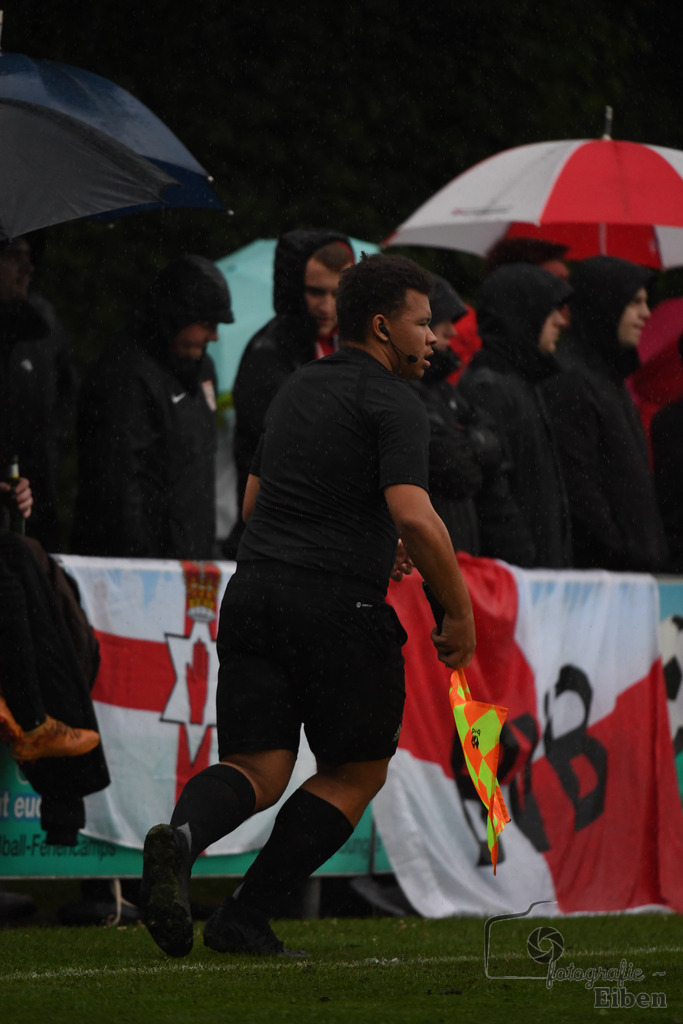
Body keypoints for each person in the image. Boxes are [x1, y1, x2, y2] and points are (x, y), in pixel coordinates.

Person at [140, 253, 476, 958]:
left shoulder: (296, 386)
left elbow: (261, 502)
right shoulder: (394, 402)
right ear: (382, 328)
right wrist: (458, 611)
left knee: (258, 767)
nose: (433, 339)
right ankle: (244, 916)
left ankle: (184, 837)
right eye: (422, 324)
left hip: (256, 591)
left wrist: (360, 536)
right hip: (336, 607)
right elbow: (414, 515)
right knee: (356, 771)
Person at [73, 255, 233, 559]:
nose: (214, 336)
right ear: (176, 317)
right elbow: (119, 484)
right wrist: (144, 565)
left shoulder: (201, 368)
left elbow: (195, 472)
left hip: (189, 563)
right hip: (135, 570)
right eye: (207, 324)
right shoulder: (126, 374)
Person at [224, 228, 354, 557]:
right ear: (293, 289)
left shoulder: (345, 346)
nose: (327, 306)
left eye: (338, 293)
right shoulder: (268, 354)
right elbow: (291, 445)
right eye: (315, 292)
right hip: (280, 536)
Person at [543, 255, 669, 572]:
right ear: (607, 304)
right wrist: (624, 553)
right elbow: (581, 489)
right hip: (605, 577)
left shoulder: (611, 379)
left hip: (632, 572)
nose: (646, 313)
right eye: (634, 302)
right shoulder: (572, 381)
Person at [457, 262, 573, 567]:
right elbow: (495, 495)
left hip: (534, 579)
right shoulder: (489, 386)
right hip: (519, 583)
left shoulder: (523, 380)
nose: (561, 321)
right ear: (524, 314)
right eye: (551, 310)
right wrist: (526, 565)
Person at [413, 273, 503, 554]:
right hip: (432, 556)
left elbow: (495, 441)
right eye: (444, 320)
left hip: (456, 548)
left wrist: (468, 445)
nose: (453, 332)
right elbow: (457, 471)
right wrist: (475, 448)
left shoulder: (444, 389)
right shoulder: (407, 391)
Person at [0, 235, 76, 551]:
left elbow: (68, 394)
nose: (27, 267)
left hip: (32, 497)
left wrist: (49, 448)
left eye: (29, 257)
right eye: (14, 256)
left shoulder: (39, 325)